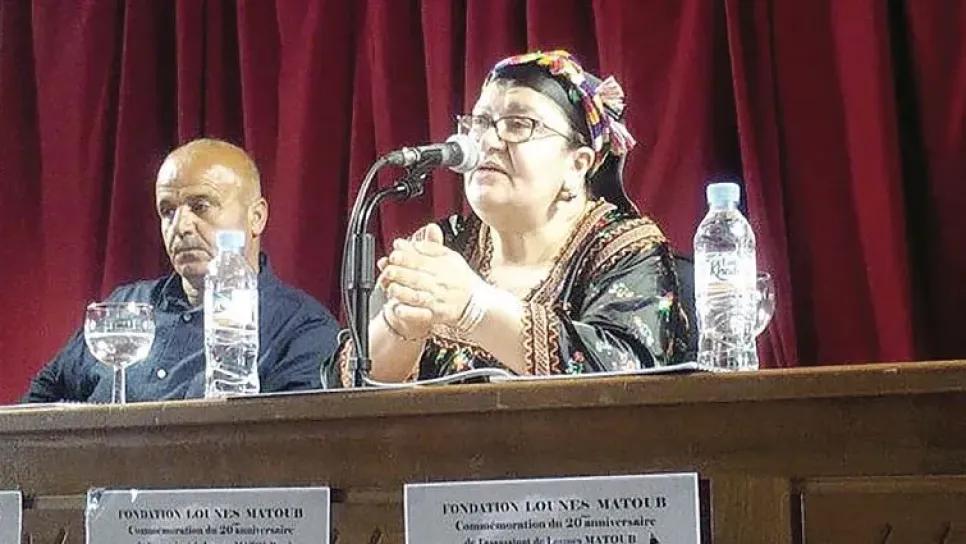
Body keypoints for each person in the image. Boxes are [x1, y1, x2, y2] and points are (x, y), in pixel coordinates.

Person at [338, 50, 692, 386]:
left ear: (577, 165)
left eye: (519, 124)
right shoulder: (445, 245)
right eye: (481, 122)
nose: (487, 141)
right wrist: (401, 325)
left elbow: (628, 378)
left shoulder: (626, 249)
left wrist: (475, 306)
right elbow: (343, 391)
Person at [24, 138, 340, 403]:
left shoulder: (302, 328)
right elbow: (38, 405)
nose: (181, 226)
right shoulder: (125, 309)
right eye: (168, 211)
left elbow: (292, 447)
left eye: (200, 206)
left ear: (256, 217)